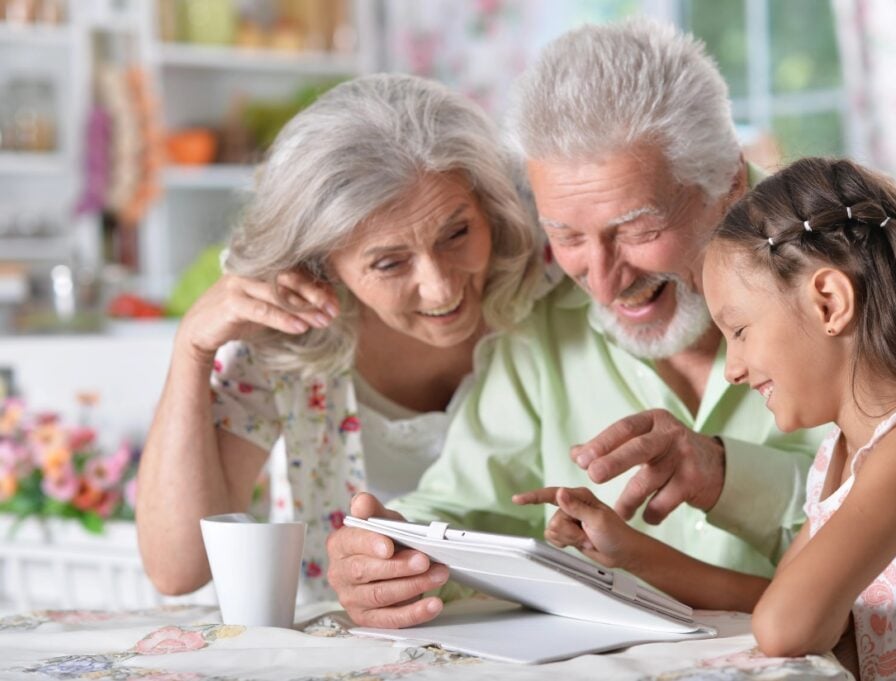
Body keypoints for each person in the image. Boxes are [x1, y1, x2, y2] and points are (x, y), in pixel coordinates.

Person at [327, 19, 827, 628]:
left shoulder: (835, 302)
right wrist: (394, 554)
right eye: (566, 236)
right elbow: (461, 509)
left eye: (639, 231)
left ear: (730, 186)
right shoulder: (543, 324)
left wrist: (727, 474)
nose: (604, 279)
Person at [516, 157, 896, 679]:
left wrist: (821, 622)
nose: (732, 369)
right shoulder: (843, 450)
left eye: (738, 331)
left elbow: (786, 627)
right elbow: (778, 598)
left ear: (828, 303)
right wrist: (631, 554)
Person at [136, 74, 545, 602]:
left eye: (457, 233)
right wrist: (191, 350)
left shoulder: (544, 291)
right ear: (323, 264)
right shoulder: (292, 336)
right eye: (390, 262)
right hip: (363, 635)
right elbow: (178, 568)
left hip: (537, 625)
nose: (441, 285)